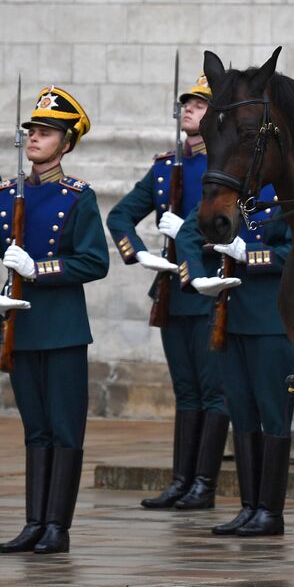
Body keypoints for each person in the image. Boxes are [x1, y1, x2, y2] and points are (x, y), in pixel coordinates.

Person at [0, 86, 109, 555]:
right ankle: (33, 522)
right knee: (35, 428)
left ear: (66, 143)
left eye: (46, 133)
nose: (35, 138)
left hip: (60, 327)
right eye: (32, 131)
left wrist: (38, 269)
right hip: (17, 327)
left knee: (64, 429)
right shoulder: (4, 195)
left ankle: (57, 527)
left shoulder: (78, 197)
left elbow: (94, 262)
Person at [107, 72, 230, 511]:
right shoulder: (166, 167)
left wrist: (194, 233)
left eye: (198, 104)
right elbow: (121, 216)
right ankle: (181, 480)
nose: (189, 111)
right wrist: (141, 254)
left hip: (212, 288)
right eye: (186, 105)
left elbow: (243, 227)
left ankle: (204, 483)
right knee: (186, 389)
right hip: (172, 292)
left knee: (213, 391)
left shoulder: (224, 164)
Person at [175, 185, 294, 537]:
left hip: (272, 321)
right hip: (230, 316)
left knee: (272, 416)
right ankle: (249, 506)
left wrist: (250, 253)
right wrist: (196, 275)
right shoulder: (230, 196)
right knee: (242, 413)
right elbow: (187, 232)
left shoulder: (284, 193)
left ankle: (270, 511)